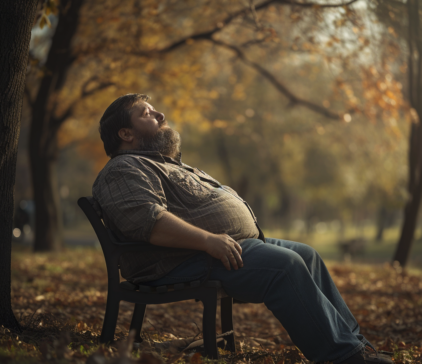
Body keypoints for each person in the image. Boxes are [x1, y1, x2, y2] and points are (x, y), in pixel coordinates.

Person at [92, 94, 391, 364]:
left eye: (156, 110)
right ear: (125, 133)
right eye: (146, 113)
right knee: (285, 266)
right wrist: (209, 240)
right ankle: (344, 358)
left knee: (307, 255)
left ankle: (357, 345)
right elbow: (149, 221)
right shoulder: (123, 168)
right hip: (179, 259)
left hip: (217, 247)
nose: (160, 115)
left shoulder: (161, 163)